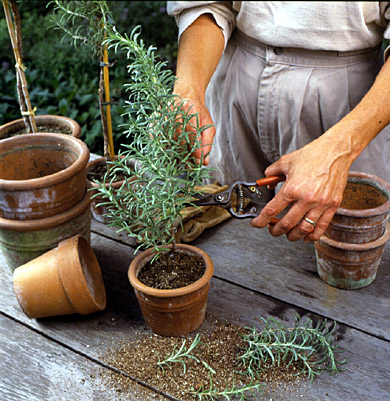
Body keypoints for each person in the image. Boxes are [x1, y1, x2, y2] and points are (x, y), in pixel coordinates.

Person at [167, 2, 390, 243]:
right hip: (234, 83)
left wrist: (339, 151)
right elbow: (209, 5)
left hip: (350, 105)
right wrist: (188, 90)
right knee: (226, 237)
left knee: (341, 242)